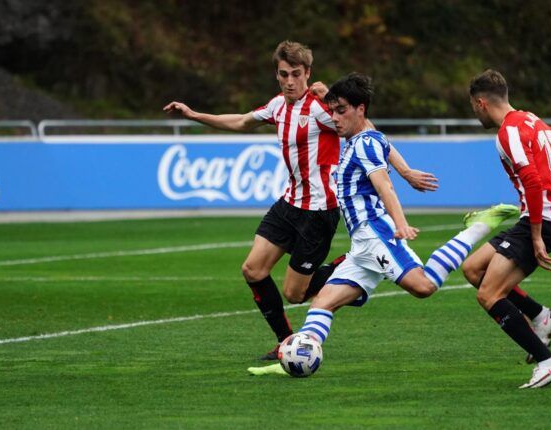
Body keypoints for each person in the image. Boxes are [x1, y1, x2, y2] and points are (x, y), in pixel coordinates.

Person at [164, 41, 439, 360]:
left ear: (308, 73)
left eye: (296, 74)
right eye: (284, 74)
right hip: (289, 203)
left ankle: (357, 262)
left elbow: (368, 134)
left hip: (319, 212)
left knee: (295, 294)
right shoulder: (278, 106)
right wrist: (192, 114)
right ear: (277, 75)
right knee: (253, 270)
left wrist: (404, 172)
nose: (290, 81)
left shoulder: (324, 108)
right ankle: (287, 342)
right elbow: (241, 121)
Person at [248, 73, 519, 376]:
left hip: (376, 234)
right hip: (361, 247)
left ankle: (480, 226)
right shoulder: (364, 137)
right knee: (321, 304)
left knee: (424, 286)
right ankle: (293, 359)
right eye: (332, 111)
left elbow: (384, 186)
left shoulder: (363, 143)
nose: (334, 118)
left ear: (360, 109)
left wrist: (400, 224)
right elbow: (384, 144)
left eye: (341, 111)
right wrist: (407, 171)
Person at [462, 69, 551, 388]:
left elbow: (532, 180)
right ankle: (542, 316)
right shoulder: (535, 123)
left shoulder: (509, 132)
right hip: (548, 219)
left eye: (472, 107)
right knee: (473, 268)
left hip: (541, 222)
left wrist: (535, 236)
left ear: (480, 103)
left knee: (489, 295)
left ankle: (548, 362)